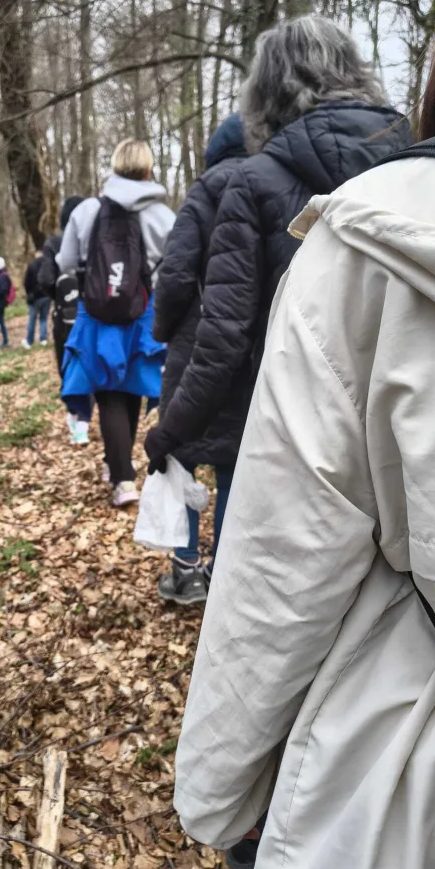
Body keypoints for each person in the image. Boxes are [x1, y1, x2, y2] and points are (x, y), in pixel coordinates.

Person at [173, 0, 435, 869]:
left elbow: (282, 566)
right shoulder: (398, 163)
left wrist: (222, 796)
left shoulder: (300, 199)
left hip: (427, 758)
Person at [145, 14, 412, 601]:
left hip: (302, 431)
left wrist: (171, 431)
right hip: (409, 428)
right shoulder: (416, 161)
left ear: (264, 91)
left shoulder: (253, 182)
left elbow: (224, 333)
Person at [153, 113, 247, 606]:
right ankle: (225, 571)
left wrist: (163, 330)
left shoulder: (201, 196)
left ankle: (186, 569)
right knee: (234, 463)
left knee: (184, 459)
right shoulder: (271, 187)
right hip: (250, 353)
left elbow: (173, 276)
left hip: (194, 349)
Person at [58, 138, 175, 506]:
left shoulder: (87, 210)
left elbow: (64, 262)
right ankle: (120, 466)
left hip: (96, 313)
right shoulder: (163, 216)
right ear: (147, 169)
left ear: (114, 166)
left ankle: (122, 477)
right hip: (144, 314)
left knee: (108, 390)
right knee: (132, 387)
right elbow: (175, 266)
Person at [39, 195, 93, 445]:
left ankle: (74, 415)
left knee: (66, 365)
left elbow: (45, 279)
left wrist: (59, 297)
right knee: (88, 364)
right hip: (90, 313)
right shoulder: (94, 239)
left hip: (63, 317)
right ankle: (83, 419)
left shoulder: (54, 244)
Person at [22, 250, 51, 348]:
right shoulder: (47, 265)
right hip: (46, 296)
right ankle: (43, 339)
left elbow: (26, 282)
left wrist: (29, 293)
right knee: (43, 318)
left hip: (34, 297)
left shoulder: (31, 265)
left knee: (32, 319)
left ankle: (29, 341)